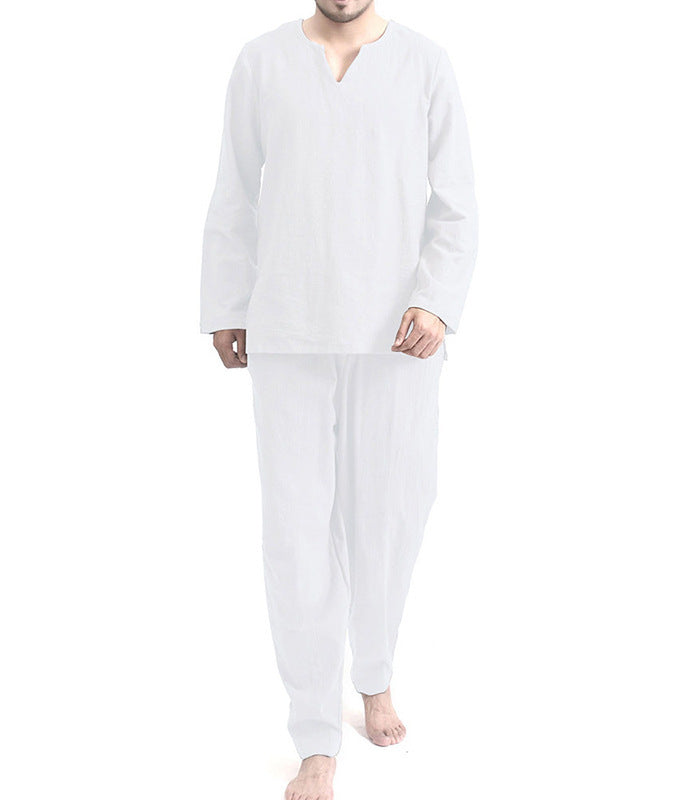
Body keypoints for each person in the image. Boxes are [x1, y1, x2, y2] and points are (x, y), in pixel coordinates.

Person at [200, 2, 478, 798]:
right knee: (296, 533)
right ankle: (316, 731)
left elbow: (456, 201)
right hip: (288, 326)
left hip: (398, 335)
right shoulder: (261, 62)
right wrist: (227, 303)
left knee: (391, 516)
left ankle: (376, 670)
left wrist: (436, 300)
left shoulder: (425, 64)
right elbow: (234, 191)